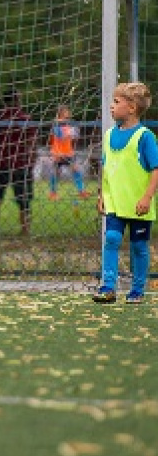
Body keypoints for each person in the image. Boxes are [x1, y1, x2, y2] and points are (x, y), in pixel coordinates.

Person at [93, 82, 158, 304]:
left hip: (138, 204)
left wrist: (147, 197)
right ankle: (107, 287)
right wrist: (102, 194)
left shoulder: (144, 136)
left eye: (116, 102)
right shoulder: (109, 135)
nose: (111, 106)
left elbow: (155, 168)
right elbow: (106, 167)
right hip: (115, 203)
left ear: (131, 108)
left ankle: (138, 290)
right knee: (111, 239)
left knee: (139, 246)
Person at [0, 86, 38, 236]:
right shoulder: (24, 119)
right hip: (20, 164)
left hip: (0, 164)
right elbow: (31, 144)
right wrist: (31, 162)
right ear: (17, 100)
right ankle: (25, 230)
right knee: (24, 202)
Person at [48, 105, 89, 200]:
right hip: (58, 153)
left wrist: (72, 132)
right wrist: (70, 132)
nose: (69, 113)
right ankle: (52, 193)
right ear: (61, 113)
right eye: (66, 111)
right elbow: (60, 135)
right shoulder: (56, 124)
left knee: (75, 170)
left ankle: (81, 191)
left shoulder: (68, 124)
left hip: (68, 152)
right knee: (55, 173)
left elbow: (75, 135)